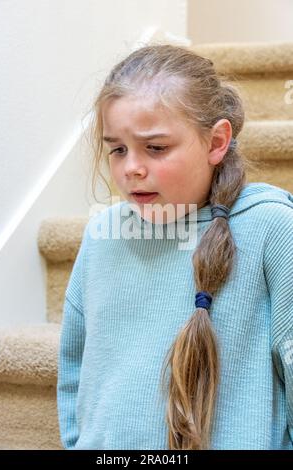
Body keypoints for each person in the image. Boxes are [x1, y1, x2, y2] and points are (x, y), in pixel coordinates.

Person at [57, 44, 293, 450]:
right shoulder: (102, 236)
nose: (131, 167)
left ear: (216, 142)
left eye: (156, 147)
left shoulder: (270, 228)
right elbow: (75, 369)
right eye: (117, 149)